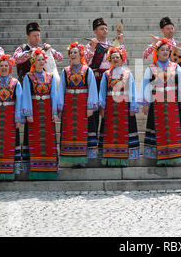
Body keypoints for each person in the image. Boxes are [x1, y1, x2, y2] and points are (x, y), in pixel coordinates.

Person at [13, 22, 63, 169]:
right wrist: (32, 52)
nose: (36, 38)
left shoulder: (44, 50)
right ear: (28, 36)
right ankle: (28, 159)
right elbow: (16, 59)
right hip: (26, 89)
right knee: (30, 124)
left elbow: (59, 57)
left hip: (45, 91)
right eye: (34, 35)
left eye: (38, 35)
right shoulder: (22, 49)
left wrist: (49, 49)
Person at [139, 38, 181, 165]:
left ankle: (174, 155)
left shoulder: (175, 67)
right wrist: (145, 103)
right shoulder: (151, 68)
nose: (165, 52)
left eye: (167, 50)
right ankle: (158, 156)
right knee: (157, 129)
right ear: (157, 52)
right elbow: (146, 86)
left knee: (173, 129)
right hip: (156, 105)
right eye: (162, 50)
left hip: (173, 105)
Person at [84, 17, 124, 155]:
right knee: (94, 111)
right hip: (95, 80)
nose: (104, 31)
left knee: (109, 110)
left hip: (109, 80)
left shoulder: (112, 45)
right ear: (95, 31)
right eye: (101, 29)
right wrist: (93, 48)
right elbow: (86, 62)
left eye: (106, 28)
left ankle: (107, 143)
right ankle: (92, 145)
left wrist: (118, 44)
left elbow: (120, 61)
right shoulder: (90, 46)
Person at [98, 46, 140, 166]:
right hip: (110, 107)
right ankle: (110, 158)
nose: (115, 59)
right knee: (110, 131)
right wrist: (102, 107)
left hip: (124, 107)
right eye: (113, 57)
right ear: (110, 59)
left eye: (118, 57)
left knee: (124, 131)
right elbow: (102, 91)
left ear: (122, 59)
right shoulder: (106, 74)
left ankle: (123, 158)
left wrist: (133, 107)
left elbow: (132, 90)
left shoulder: (128, 74)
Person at [57, 42, 98, 166]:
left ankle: (82, 159)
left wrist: (91, 106)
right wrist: (60, 107)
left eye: (75, 52)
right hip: (69, 106)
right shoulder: (65, 71)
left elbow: (92, 88)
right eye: (71, 52)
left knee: (82, 131)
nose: (73, 54)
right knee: (70, 131)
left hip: (82, 105)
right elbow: (61, 89)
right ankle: (71, 158)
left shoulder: (87, 70)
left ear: (80, 54)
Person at [21, 48, 59, 180]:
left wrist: (55, 112)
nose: (41, 62)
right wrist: (28, 113)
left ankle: (50, 170)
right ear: (33, 62)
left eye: (43, 59)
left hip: (47, 112)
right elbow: (26, 95)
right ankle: (36, 170)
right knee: (35, 139)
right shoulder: (28, 77)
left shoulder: (50, 76)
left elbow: (54, 95)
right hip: (35, 112)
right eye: (38, 60)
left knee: (48, 139)